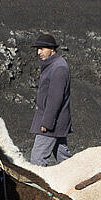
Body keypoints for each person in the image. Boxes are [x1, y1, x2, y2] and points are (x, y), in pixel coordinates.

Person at [29, 33, 72, 166]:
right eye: (38, 49)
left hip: (51, 124)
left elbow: (55, 99)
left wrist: (47, 123)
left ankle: (37, 184)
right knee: (64, 159)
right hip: (56, 122)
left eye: (42, 49)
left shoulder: (59, 68)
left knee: (37, 160)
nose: (39, 52)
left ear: (52, 49)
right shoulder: (53, 65)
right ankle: (79, 178)